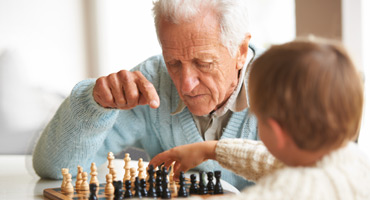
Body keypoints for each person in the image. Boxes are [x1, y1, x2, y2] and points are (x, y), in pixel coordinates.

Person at [32, 0, 260, 189]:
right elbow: (54, 169)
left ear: (240, 51)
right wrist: (93, 104)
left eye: (204, 63)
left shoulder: (284, 88)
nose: (186, 85)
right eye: (173, 63)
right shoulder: (152, 80)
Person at [149, 38, 370, 199]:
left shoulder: (294, 189)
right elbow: (268, 161)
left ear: (274, 130)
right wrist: (211, 150)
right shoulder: (350, 160)